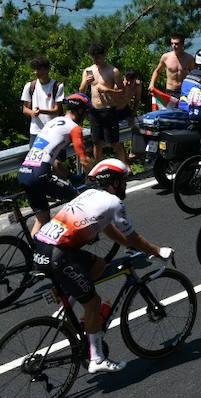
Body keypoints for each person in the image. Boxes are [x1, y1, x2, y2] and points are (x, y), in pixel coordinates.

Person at [32, 158, 175, 374]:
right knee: (93, 303)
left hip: (42, 248)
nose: (125, 185)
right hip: (59, 255)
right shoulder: (113, 202)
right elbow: (132, 237)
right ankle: (97, 359)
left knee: (98, 265)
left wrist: (131, 244)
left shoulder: (89, 196)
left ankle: (67, 307)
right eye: (123, 181)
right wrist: (157, 250)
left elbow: (110, 231)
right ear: (113, 182)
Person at [17, 93, 93, 229]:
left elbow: (54, 162)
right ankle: (72, 236)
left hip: (24, 172)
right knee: (77, 198)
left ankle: (33, 250)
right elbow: (84, 160)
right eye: (86, 112)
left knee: (42, 218)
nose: (86, 116)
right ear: (80, 111)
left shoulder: (51, 123)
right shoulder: (74, 128)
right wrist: (95, 178)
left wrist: (70, 176)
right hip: (39, 174)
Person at [79, 43, 128, 163]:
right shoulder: (88, 71)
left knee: (114, 142)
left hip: (109, 110)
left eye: (98, 57)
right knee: (97, 143)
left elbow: (122, 91)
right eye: (94, 57)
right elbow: (81, 92)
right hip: (94, 111)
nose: (96, 60)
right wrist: (86, 82)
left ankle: (125, 167)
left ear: (104, 55)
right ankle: (98, 170)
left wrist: (108, 90)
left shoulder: (113, 71)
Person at [20, 57, 65, 145]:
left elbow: (57, 110)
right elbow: (25, 109)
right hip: (36, 131)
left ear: (47, 70)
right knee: (35, 159)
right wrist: (32, 113)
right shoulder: (30, 86)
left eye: (39, 69)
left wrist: (40, 111)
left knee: (57, 158)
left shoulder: (57, 86)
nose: (36, 72)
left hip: (54, 130)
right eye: (35, 69)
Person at [148, 34, 193, 109]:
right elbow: (157, 71)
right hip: (170, 91)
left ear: (182, 44)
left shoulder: (189, 58)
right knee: (170, 113)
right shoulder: (166, 57)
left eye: (176, 43)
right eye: (172, 43)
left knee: (183, 112)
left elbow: (192, 74)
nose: (173, 46)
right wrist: (151, 84)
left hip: (184, 91)